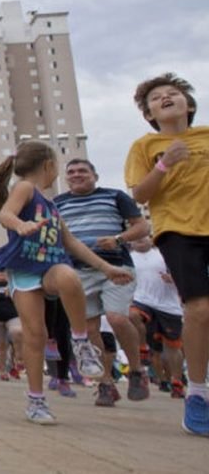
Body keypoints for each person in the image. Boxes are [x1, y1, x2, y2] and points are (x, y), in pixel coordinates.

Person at [0, 140, 132, 425]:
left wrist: (107, 267)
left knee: (69, 276)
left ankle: (81, 341)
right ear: (49, 166)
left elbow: (71, 243)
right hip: (24, 268)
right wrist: (20, 225)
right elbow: (8, 213)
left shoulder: (52, 206)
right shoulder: (25, 188)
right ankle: (36, 400)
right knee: (35, 334)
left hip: (49, 265)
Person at [125, 73, 208, 436]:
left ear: (188, 105)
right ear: (149, 114)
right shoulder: (145, 146)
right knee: (200, 310)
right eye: (157, 98)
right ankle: (198, 392)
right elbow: (140, 195)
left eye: (173, 94)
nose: (166, 98)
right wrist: (164, 164)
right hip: (178, 231)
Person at [54, 158, 151, 406]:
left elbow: (142, 227)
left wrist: (119, 238)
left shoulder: (115, 196)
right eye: (71, 172)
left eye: (83, 171)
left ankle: (137, 370)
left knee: (117, 317)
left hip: (116, 266)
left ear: (95, 176)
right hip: (78, 272)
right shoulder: (58, 203)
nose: (77, 175)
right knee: (89, 329)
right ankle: (105, 383)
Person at [128, 239, 185, 398]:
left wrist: (174, 278)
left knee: (172, 348)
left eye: (144, 236)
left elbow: (184, 274)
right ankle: (142, 348)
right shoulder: (128, 257)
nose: (140, 240)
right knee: (132, 315)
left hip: (168, 306)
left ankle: (177, 382)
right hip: (142, 300)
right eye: (136, 237)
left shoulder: (163, 254)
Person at [0, 270, 24, 381]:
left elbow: (21, 299)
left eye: (4, 271)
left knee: (17, 332)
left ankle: (19, 358)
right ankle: (3, 370)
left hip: (13, 315)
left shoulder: (13, 283)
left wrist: (11, 291)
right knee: (1, 345)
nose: (1, 273)